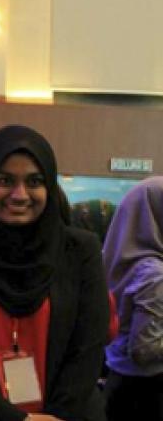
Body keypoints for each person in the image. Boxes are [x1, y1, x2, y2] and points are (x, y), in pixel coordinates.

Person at [0, 125, 110, 421]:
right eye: (4, 180)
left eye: (34, 181)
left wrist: (56, 417)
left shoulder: (80, 250)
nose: (20, 194)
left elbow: (88, 347)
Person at [101, 176, 163, 420]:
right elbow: (144, 349)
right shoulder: (154, 273)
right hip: (148, 392)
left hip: (120, 381)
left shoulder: (120, 259)